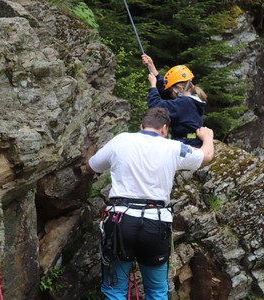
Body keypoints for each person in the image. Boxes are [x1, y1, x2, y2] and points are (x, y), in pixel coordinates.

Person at [85, 107, 214, 300]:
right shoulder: (173, 147)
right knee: (156, 292)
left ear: (141, 126)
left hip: (120, 221)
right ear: (164, 128)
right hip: (156, 223)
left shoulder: (121, 140)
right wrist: (207, 137)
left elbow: (91, 166)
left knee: (115, 290)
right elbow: (206, 156)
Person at [142, 54, 207, 148]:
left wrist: (153, 86)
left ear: (180, 89)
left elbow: (155, 106)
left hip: (186, 145)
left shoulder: (184, 103)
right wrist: (152, 67)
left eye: (171, 90)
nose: (169, 93)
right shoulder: (191, 101)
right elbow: (164, 88)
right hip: (191, 142)